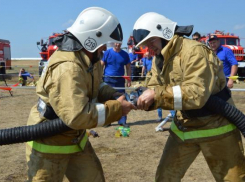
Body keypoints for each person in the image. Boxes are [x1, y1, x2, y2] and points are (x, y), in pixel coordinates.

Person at [26, 7, 136, 182]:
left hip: (75, 138)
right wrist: (117, 109)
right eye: (103, 43)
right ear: (92, 39)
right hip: (49, 144)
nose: (104, 48)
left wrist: (113, 95)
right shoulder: (68, 68)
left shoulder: (88, 59)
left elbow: (96, 84)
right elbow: (77, 115)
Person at [133, 12, 245, 181]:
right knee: (165, 178)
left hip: (216, 126)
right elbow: (154, 86)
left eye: (151, 41)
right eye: (145, 44)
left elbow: (196, 94)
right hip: (184, 126)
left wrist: (156, 94)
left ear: (165, 33)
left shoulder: (194, 51)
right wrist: (143, 98)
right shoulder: (159, 58)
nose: (149, 48)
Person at [101, 42, 131, 127]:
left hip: (120, 80)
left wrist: (129, 80)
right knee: (107, 101)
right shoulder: (107, 53)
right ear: (113, 43)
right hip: (108, 79)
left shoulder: (125, 54)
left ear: (121, 43)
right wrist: (98, 78)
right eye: (116, 43)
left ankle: (122, 121)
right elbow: (101, 65)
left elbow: (128, 67)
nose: (117, 45)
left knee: (122, 100)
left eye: (119, 43)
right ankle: (107, 121)